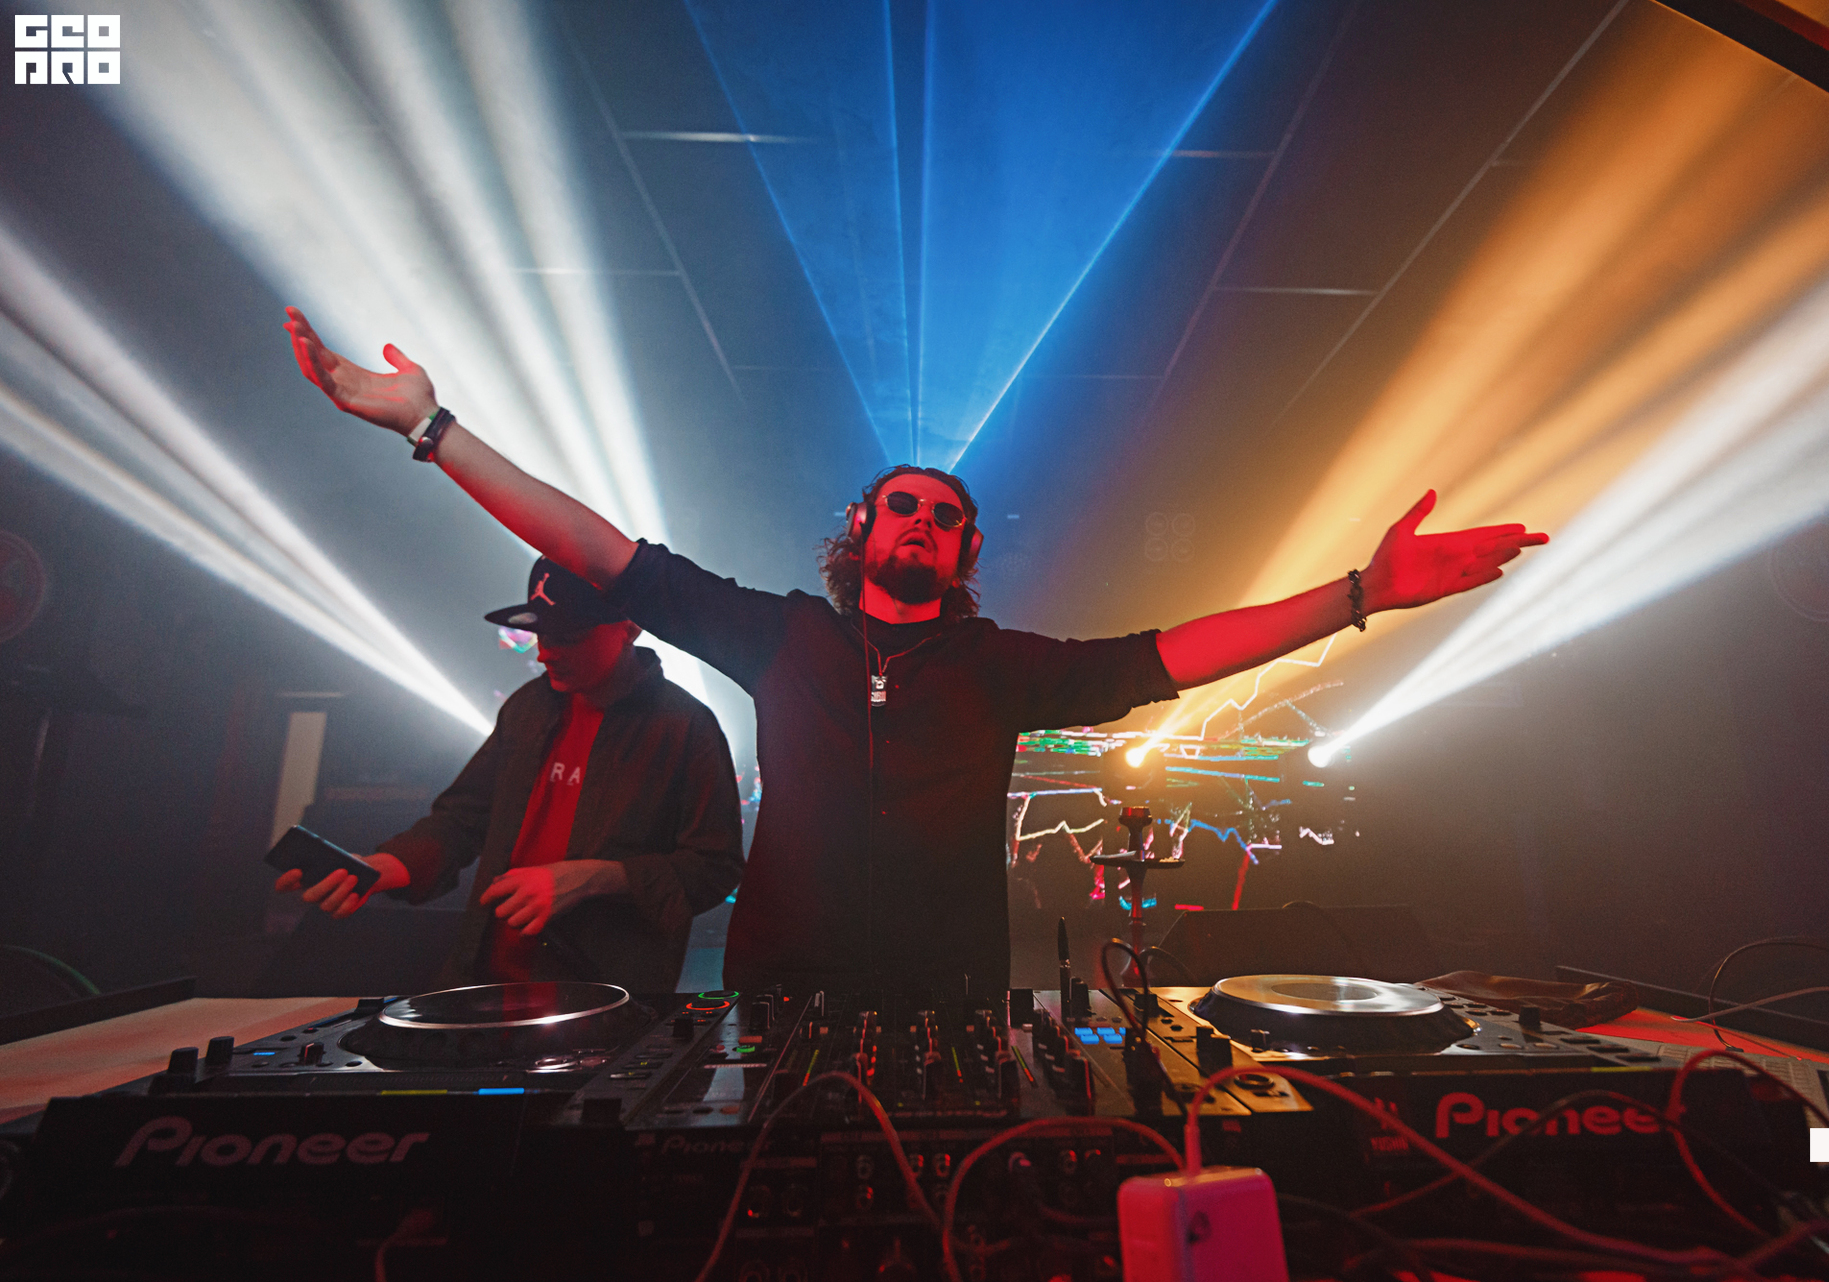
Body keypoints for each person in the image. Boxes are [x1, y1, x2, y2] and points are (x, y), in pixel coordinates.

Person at [284, 307, 1546, 996]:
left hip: (947, 993)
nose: (923, 523)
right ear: (862, 529)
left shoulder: (1001, 666)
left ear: (966, 549)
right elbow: (601, 551)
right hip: (782, 990)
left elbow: (1175, 654)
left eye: (946, 517)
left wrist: (1362, 593)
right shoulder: (783, 635)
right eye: (904, 506)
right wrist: (434, 429)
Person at [273, 556, 744, 995]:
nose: (545, 653)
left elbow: (714, 868)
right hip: (483, 983)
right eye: (541, 634)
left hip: (602, 998)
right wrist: (389, 866)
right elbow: (463, 818)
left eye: (568, 636)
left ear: (629, 626)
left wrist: (597, 878)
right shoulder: (528, 707)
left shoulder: (685, 726)